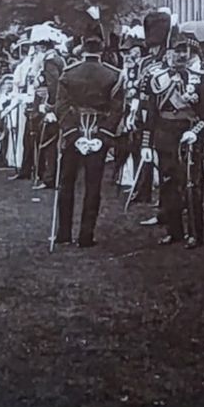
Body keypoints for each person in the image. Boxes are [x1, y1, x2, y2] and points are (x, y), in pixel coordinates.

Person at [51, 34, 125, 248]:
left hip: (73, 133)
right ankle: (86, 236)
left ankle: (63, 233)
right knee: (93, 187)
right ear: (102, 50)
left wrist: (73, 135)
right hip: (98, 134)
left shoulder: (68, 73)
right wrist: (102, 136)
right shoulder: (114, 74)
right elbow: (117, 110)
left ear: (82, 48)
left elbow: (61, 107)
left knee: (66, 184)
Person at [145, 31, 204, 247]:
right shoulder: (157, 76)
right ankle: (173, 230)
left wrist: (196, 132)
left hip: (189, 134)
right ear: (168, 53)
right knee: (168, 184)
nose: (181, 55)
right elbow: (151, 112)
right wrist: (147, 143)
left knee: (191, 184)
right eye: (177, 51)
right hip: (164, 134)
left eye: (185, 51)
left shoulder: (200, 76)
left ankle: (195, 233)